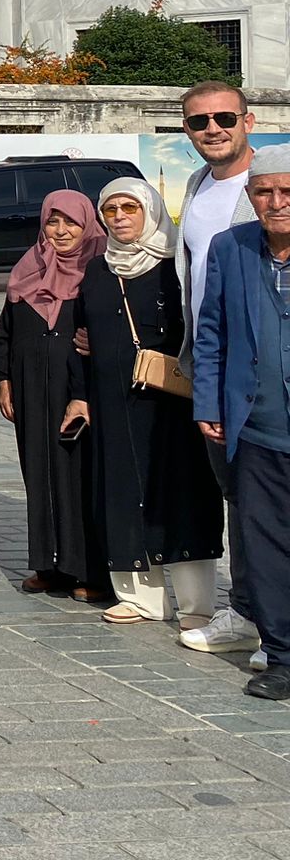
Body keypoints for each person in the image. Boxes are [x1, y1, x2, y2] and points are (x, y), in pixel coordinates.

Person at [85, 179, 223, 627]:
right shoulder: (98, 270)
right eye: (111, 209)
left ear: (151, 212)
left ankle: (196, 603)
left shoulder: (173, 267)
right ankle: (140, 596)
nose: (121, 216)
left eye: (130, 207)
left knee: (181, 491)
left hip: (171, 403)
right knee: (123, 490)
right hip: (114, 400)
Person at [193, 146, 290, 700]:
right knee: (263, 545)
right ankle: (281, 656)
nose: (275, 203)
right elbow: (211, 334)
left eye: (286, 192)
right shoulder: (230, 247)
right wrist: (208, 402)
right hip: (255, 426)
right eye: (263, 192)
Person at [174, 80, 264, 661]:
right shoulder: (198, 183)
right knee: (239, 496)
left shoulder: (271, 185)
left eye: (224, 118)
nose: (213, 129)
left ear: (248, 120)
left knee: (269, 497)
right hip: (212, 365)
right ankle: (253, 611)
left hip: (264, 365)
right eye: (199, 122)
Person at [0, 191, 103, 600]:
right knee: (38, 473)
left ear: (86, 223)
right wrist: (4, 379)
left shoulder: (99, 270)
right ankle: (48, 565)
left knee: (80, 477)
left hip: (80, 393)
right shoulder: (26, 269)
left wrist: (84, 392)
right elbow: (7, 329)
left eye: (70, 222)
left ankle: (90, 571)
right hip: (31, 387)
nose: (61, 231)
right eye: (52, 221)